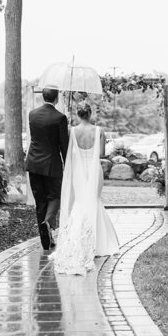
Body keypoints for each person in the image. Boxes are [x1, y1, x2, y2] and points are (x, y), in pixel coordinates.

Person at [52, 101, 119, 275]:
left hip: (78, 171)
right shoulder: (99, 131)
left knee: (80, 202)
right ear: (90, 114)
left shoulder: (72, 131)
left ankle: (78, 241)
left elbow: (69, 152)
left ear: (78, 114)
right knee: (94, 201)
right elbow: (102, 153)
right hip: (94, 170)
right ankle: (97, 243)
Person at [25, 86, 69, 250]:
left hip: (34, 163)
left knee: (40, 201)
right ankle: (48, 221)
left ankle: (46, 240)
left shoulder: (32, 114)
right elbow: (64, 145)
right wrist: (68, 164)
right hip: (52, 166)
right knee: (55, 196)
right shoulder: (60, 118)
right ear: (56, 98)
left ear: (43, 97)